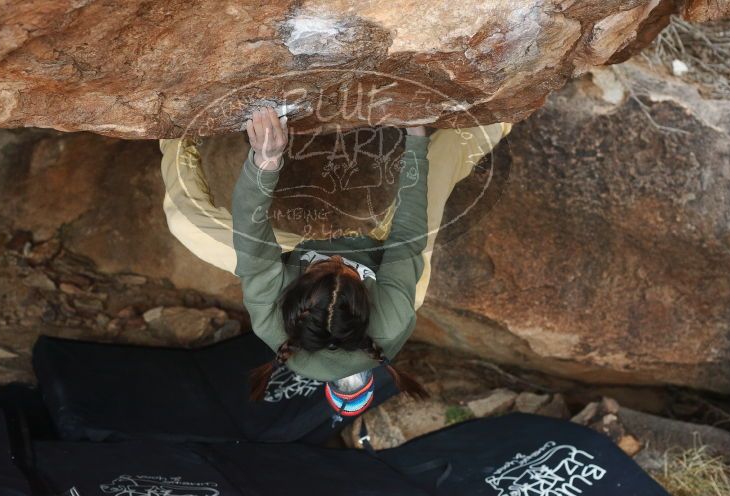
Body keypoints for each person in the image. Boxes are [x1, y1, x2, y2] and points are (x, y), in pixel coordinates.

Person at [160, 107, 511, 411]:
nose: (338, 255)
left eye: (327, 265)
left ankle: (175, 128)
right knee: (440, 162)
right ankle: (505, 112)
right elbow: (408, 231)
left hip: (290, 258)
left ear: (294, 299)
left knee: (182, 221)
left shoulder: (270, 318)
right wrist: (415, 138)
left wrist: (265, 162)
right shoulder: (391, 317)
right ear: (364, 300)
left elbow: (252, 235)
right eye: (345, 268)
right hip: (385, 253)